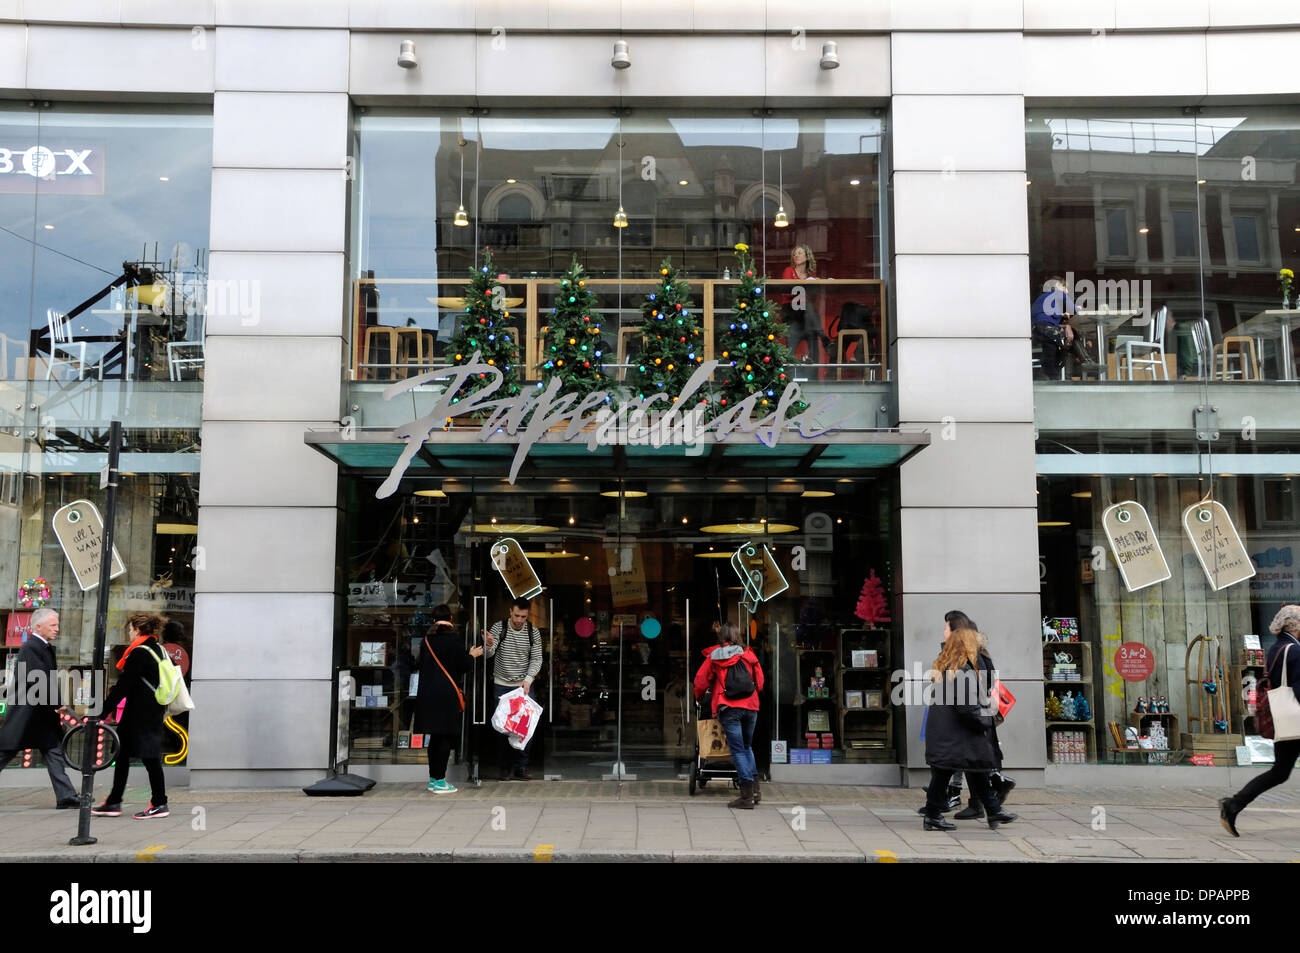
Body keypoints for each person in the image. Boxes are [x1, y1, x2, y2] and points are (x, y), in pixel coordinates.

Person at [921, 627, 1016, 831]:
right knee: (944, 774)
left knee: (975, 769)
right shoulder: (961, 671)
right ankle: (932, 815)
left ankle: (993, 810)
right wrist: (989, 719)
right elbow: (967, 708)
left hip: (950, 732)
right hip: (955, 733)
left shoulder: (948, 667)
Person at [1220, 605, 1300, 836]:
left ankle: (1233, 804)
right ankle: (1233, 804)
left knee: (1280, 772)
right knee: (1280, 771)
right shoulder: (1294, 650)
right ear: (1295, 625)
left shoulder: (1277, 647)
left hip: (1284, 720)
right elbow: (1298, 688)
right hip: (1294, 719)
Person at [0, 608, 79, 808]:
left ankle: (66, 796)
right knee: (6, 752)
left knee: (53, 752)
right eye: (53, 625)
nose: (57, 629)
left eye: (57, 624)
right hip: (27, 714)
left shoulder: (41, 647)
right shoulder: (31, 648)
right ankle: (66, 796)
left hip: (39, 714)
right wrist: (57, 703)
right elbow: (38, 679)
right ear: (38, 626)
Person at [92, 613, 169, 819]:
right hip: (151, 710)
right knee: (123, 755)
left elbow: (123, 686)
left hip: (140, 714)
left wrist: (102, 712)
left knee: (150, 758)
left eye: (130, 630)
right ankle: (113, 801)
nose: (129, 634)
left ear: (137, 630)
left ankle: (160, 803)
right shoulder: (159, 649)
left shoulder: (139, 652)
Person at [693, 622, 765, 809]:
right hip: (751, 706)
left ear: (721, 637)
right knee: (747, 747)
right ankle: (755, 791)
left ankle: (746, 797)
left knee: (738, 750)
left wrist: (699, 697)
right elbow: (760, 682)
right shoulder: (748, 654)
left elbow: (700, 681)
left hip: (729, 707)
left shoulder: (715, 656)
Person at [416, 604, 483, 794]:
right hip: (446, 695)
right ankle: (440, 780)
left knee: (434, 738)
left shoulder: (426, 640)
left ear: (434, 619)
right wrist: (472, 655)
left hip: (428, 695)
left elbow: (420, 664)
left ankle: (433, 779)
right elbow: (463, 666)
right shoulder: (454, 640)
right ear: (451, 618)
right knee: (445, 736)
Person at [484, 597, 542, 781]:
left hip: (523, 686)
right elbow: (488, 655)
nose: (519, 620)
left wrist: (528, 679)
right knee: (503, 728)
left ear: (527, 615)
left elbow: (537, 658)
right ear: (510, 612)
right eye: (516, 615)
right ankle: (504, 768)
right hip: (501, 684)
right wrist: (488, 644)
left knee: (525, 728)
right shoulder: (499, 628)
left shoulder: (533, 632)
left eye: (523, 617)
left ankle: (521, 767)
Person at [1031, 276, 1100, 380]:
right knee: (1069, 339)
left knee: (1053, 349)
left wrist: (1062, 317)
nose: (1067, 291)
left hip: (1037, 330)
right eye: (1065, 287)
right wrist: (1078, 309)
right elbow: (1073, 309)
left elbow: (1045, 317)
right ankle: (1086, 361)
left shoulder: (1044, 298)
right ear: (1057, 286)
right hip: (1046, 328)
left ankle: (1050, 375)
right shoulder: (1057, 294)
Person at [781, 244, 825, 365]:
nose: (796, 255)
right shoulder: (789, 271)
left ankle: (814, 375)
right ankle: (823, 336)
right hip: (792, 312)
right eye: (794, 254)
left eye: (799, 253)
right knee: (808, 307)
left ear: (807, 256)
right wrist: (804, 285)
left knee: (809, 307)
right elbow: (787, 290)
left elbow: (814, 297)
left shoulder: (811, 277)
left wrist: (816, 283)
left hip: (806, 316)